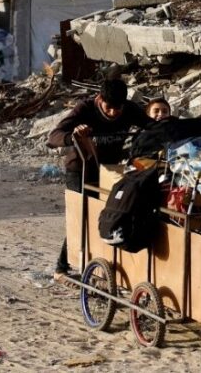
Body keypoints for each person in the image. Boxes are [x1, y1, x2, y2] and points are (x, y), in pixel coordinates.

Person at [48, 77, 151, 281]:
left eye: (118, 108)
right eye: (109, 107)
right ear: (99, 99)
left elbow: (151, 126)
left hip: (110, 171)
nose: (114, 113)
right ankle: (61, 268)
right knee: (82, 215)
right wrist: (73, 135)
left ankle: (101, 263)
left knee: (111, 215)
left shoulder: (129, 109)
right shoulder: (84, 109)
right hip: (82, 169)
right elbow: (54, 136)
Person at [129, 97, 201, 159]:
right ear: (148, 115)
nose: (161, 114)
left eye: (165, 111)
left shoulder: (178, 125)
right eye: (156, 111)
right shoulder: (142, 135)